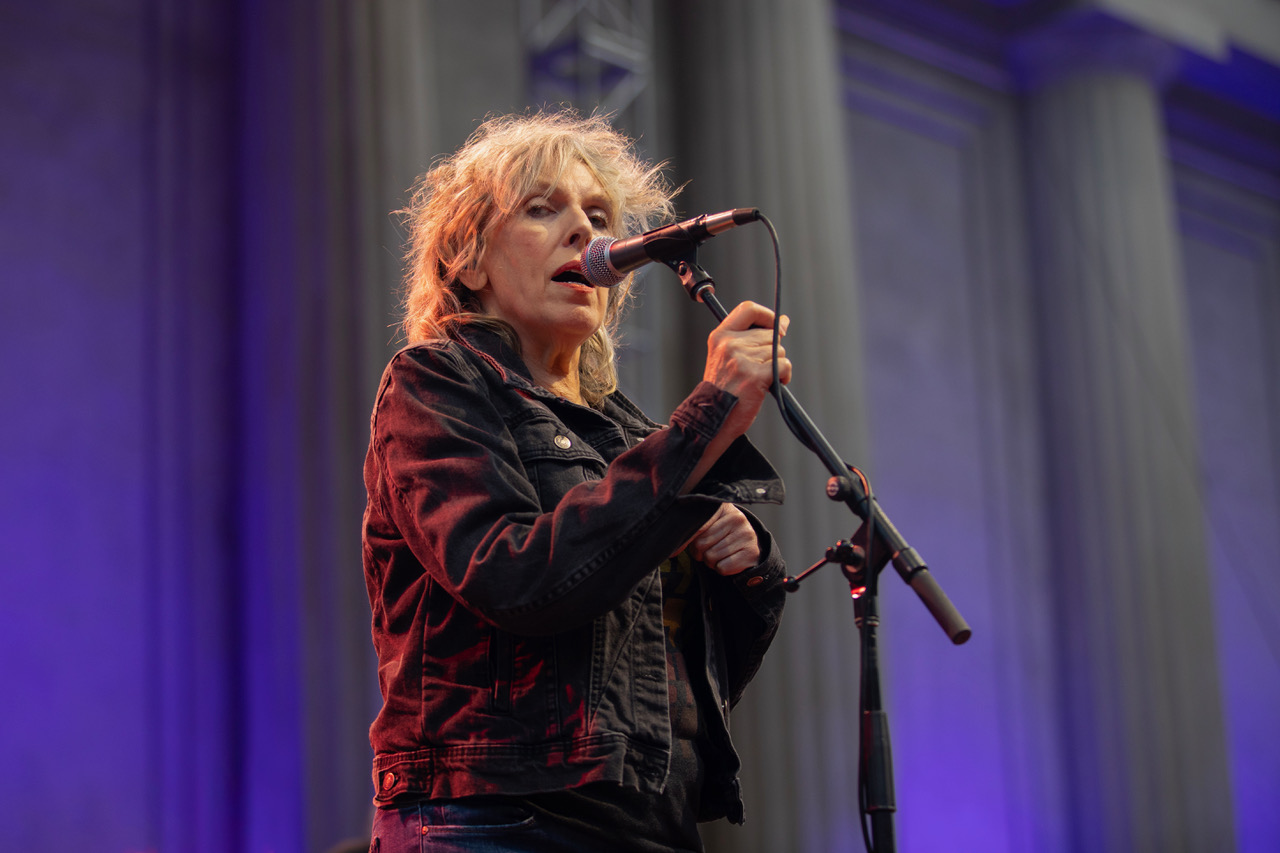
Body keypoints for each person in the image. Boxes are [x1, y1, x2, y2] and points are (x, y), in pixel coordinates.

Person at [361, 109, 792, 853]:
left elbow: (683, 677)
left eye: (598, 215)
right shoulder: (434, 382)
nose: (584, 232)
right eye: (541, 208)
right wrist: (706, 419)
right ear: (467, 259)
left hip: (650, 821)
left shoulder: (631, 433)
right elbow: (517, 578)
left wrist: (747, 567)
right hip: (498, 819)